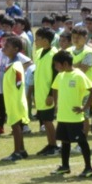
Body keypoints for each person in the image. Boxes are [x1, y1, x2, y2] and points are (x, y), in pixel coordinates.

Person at [47, 50, 92, 176]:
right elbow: (54, 88)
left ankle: (89, 168)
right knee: (65, 141)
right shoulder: (60, 75)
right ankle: (65, 166)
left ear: (65, 63)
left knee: (82, 142)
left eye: (57, 64)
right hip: (63, 116)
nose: (55, 67)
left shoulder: (78, 75)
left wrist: (85, 107)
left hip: (74, 117)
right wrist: (57, 104)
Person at [0, 36, 32, 161]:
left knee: (15, 126)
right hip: (12, 99)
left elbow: (19, 80)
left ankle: (17, 151)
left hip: (15, 100)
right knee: (16, 125)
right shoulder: (11, 61)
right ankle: (22, 150)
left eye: (7, 46)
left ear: (16, 49)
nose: (4, 48)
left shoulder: (16, 64)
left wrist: (16, 93)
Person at [32, 26, 58, 156]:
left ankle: (54, 146)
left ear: (46, 41)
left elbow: (55, 75)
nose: (35, 41)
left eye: (38, 39)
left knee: (48, 121)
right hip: (39, 93)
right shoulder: (38, 53)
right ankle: (50, 144)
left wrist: (51, 95)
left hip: (48, 94)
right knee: (44, 121)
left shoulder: (54, 54)